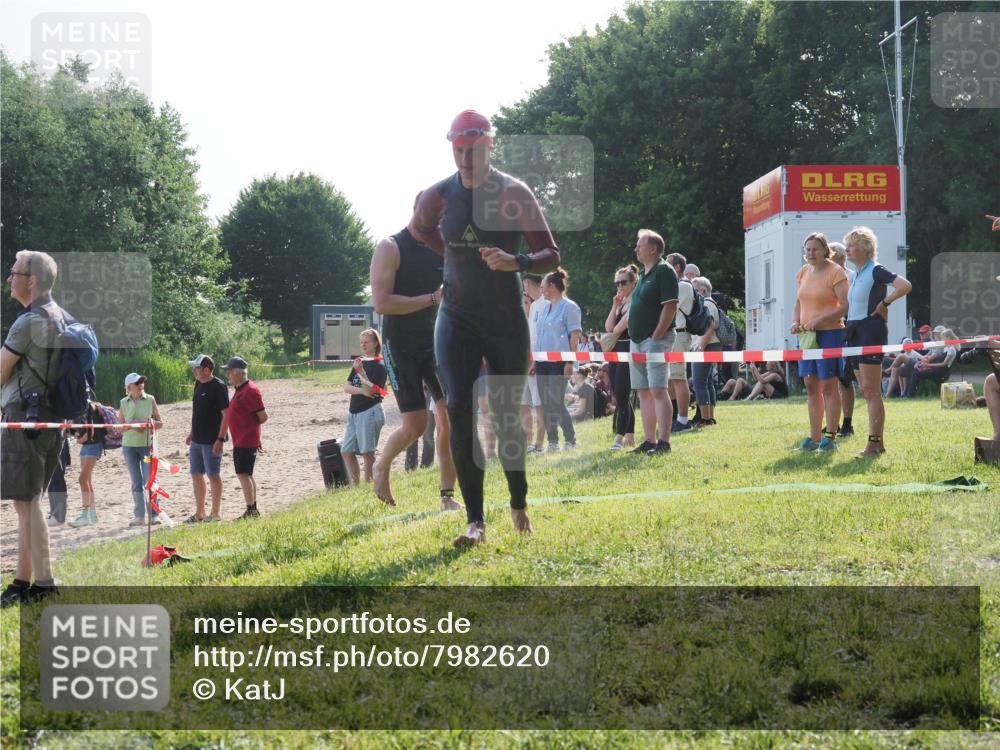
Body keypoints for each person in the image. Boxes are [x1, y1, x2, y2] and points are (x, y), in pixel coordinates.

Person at [409, 109, 560, 547]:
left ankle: (518, 501)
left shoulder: (514, 193)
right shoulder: (436, 196)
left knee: (507, 416)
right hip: (455, 316)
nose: (465, 159)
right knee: (457, 409)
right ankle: (474, 521)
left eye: (473, 150)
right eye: (458, 151)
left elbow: (551, 252)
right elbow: (420, 230)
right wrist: (454, 258)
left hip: (503, 317)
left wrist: (518, 262)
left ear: (489, 144)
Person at [369, 201, 458, 510]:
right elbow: (382, 303)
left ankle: (447, 496)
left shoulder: (444, 250)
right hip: (400, 347)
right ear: (418, 210)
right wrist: (432, 298)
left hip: (435, 345)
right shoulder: (390, 246)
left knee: (452, 419)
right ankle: (382, 466)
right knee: (416, 426)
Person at [0, 250, 66, 607]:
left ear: (33, 280)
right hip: (49, 420)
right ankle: (22, 582)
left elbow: (1, 371)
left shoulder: (27, 322)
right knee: (26, 503)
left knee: (27, 503)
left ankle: (43, 584)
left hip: (24, 417)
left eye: (14, 273)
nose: (9, 278)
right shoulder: (60, 317)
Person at [844, 226, 912, 457]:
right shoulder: (857, 274)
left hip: (870, 331)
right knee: (866, 389)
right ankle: (877, 443)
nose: (848, 249)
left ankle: (874, 444)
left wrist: (885, 303)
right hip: (853, 332)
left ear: (865, 247)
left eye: (852, 245)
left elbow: (904, 285)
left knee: (872, 390)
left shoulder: (875, 270)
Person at [790, 232, 849, 451]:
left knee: (828, 386)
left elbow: (844, 306)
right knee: (810, 385)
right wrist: (796, 322)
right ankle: (814, 438)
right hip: (807, 336)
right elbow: (798, 302)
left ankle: (830, 438)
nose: (811, 253)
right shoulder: (804, 271)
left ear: (825, 250)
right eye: (807, 249)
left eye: (815, 249)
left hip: (830, 334)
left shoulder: (836, 272)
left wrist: (820, 320)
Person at [627, 229, 679, 455]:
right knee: (643, 391)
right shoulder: (645, 274)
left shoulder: (664, 271)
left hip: (655, 340)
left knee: (658, 389)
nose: (635, 248)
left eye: (640, 245)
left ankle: (664, 442)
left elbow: (670, 305)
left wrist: (658, 333)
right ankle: (649, 440)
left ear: (653, 249)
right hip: (638, 341)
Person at [535, 268, 582, 451]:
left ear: (552, 286)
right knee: (545, 402)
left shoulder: (570, 307)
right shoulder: (543, 308)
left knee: (555, 401)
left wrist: (570, 362)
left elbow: (574, 336)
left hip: (559, 362)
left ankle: (570, 439)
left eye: (543, 286)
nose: (541, 290)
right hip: (541, 362)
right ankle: (552, 441)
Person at [222, 356, 268, 519]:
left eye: (229, 372)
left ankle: (251, 510)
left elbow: (262, 416)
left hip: (246, 439)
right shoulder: (241, 389)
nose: (227, 375)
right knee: (246, 474)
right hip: (243, 439)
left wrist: (252, 432)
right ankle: (252, 508)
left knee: (243, 474)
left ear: (239, 373)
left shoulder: (250, 390)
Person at [185, 355, 229, 522]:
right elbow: (196, 412)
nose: (194, 371)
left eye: (196, 368)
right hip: (197, 439)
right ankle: (199, 513)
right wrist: (192, 433)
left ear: (206, 369)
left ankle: (216, 513)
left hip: (212, 440)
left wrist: (220, 439)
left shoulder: (219, 386)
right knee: (196, 474)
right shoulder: (198, 384)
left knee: (213, 475)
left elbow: (226, 415)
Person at [341, 329, 387, 485]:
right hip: (354, 413)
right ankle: (356, 486)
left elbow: (370, 392)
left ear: (375, 343)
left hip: (370, 412)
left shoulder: (380, 365)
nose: (363, 345)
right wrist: (360, 388)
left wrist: (361, 373)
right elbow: (347, 387)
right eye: (361, 342)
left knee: (367, 453)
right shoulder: (361, 361)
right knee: (346, 451)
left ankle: (369, 486)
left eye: (366, 342)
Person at [119, 372, 164, 526]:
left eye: (141, 382)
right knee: (136, 482)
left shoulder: (150, 399)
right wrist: (131, 425)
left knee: (149, 479)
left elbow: (160, 422)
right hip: (129, 447)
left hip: (146, 447)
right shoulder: (123, 402)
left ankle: (154, 514)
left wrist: (147, 424)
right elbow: (120, 427)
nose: (140, 384)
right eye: (137, 382)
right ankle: (139, 516)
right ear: (129, 387)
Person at [604, 265, 637, 450]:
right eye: (617, 283)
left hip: (627, 350)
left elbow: (617, 330)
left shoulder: (635, 302)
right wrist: (615, 305)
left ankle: (619, 437)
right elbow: (609, 326)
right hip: (615, 352)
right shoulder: (622, 303)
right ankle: (630, 435)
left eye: (623, 282)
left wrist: (615, 326)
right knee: (619, 394)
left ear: (633, 283)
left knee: (622, 396)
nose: (619, 286)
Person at [829, 241, 856, 437]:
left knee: (845, 380)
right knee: (830, 379)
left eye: (829, 255)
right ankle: (832, 422)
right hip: (829, 329)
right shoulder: (824, 274)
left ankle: (847, 423)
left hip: (846, 329)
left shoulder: (852, 276)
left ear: (839, 256)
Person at [665, 253, 693, 434]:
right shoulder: (677, 285)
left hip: (679, 335)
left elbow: (668, 308)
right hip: (673, 335)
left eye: (667, 265)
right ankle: (675, 417)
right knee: (670, 379)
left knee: (678, 378)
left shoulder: (682, 286)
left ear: (677, 267)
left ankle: (683, 419)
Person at [690, 276, 724, 428]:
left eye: (694, 289)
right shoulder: (711, 303)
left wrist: (700, 346)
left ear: (702, 290)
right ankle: (709, 417)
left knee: (699, 383)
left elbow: (711, 326)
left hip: (707, 346)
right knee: (707, 382)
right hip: (711, 346)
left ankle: (705, 419)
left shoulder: (706, 303)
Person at [68, 400, 106, 527]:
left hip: (94, 444)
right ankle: (92, 514)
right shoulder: (78, 407)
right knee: (87, 480)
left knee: (82, 479)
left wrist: (80, 439)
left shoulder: (89, 406)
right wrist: (77, 435)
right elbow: (77, 429)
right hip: (86, 446)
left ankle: (85, 514)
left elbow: (91, 431)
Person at [520, 273, 546, 454]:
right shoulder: (535, 305)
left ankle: (539, 443)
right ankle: (529, 441)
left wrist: (536, 361)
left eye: (524, 285)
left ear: (528, 283)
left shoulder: (546, 304)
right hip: (525, 362)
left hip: (538, 362)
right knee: (524, 404)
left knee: (539, 404)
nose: (524, 289)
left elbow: (542, 338)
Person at [903, 326, 958, 397]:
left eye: (942, 336)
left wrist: (928, 365)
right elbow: (929, 357)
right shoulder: (947, 348)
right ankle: (907, 394)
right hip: (938, 370)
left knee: (916, 373)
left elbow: (944, 364)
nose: (940, 337)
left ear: (948, 338)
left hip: (942, 372)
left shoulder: (950, 349)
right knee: (915, 371)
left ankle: (910, 395)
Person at [45, 436, 71, 527]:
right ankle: (54, 514)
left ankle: (58, 517)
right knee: (52, 481)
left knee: (57, 480)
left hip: (57, 445)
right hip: (53, 443)